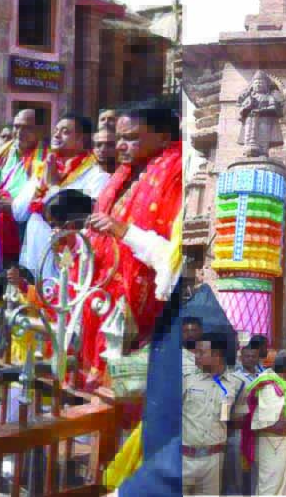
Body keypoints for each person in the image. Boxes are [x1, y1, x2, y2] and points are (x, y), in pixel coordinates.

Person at [70, 101, 182, 390]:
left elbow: (175, 256)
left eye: (131, 138)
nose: (119, 145)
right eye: (119, 137)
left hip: (142, 313)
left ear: (164, 137)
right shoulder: (123, 174)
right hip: (101, 296)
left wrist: (123, 231)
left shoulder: (176, 174)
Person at [15, 114, 110, 284]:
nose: (57, 135)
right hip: (33, 256)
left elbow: (77, 223)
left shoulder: (97, 177)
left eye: (65, 132)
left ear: (82, 140)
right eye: (56, 130)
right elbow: (18, 212)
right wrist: (40, 181)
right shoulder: (46, 167)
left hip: (64, 263)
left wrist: (53, 187)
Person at [246, 350, 286, 495]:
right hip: (274, 446)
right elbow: (272, 425)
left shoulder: (282, 384)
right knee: (271, 490)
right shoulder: (270, 387)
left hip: (284, 445)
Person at [183, 334, 232, 496]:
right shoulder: (186, 380)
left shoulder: (236, 383)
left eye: (201, 353)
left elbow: (235, 418)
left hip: (214, 460)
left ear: (217, 355)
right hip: (184, 458)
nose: (195, 357)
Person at [225, 341, 260, 495]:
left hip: (257, 431)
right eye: (247, 356)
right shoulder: (234, 378)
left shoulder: (263, 376)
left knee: (255, 469)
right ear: (241, 358)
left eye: (253, 356)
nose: (250, 359)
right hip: (239, 430)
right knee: (237, 471)